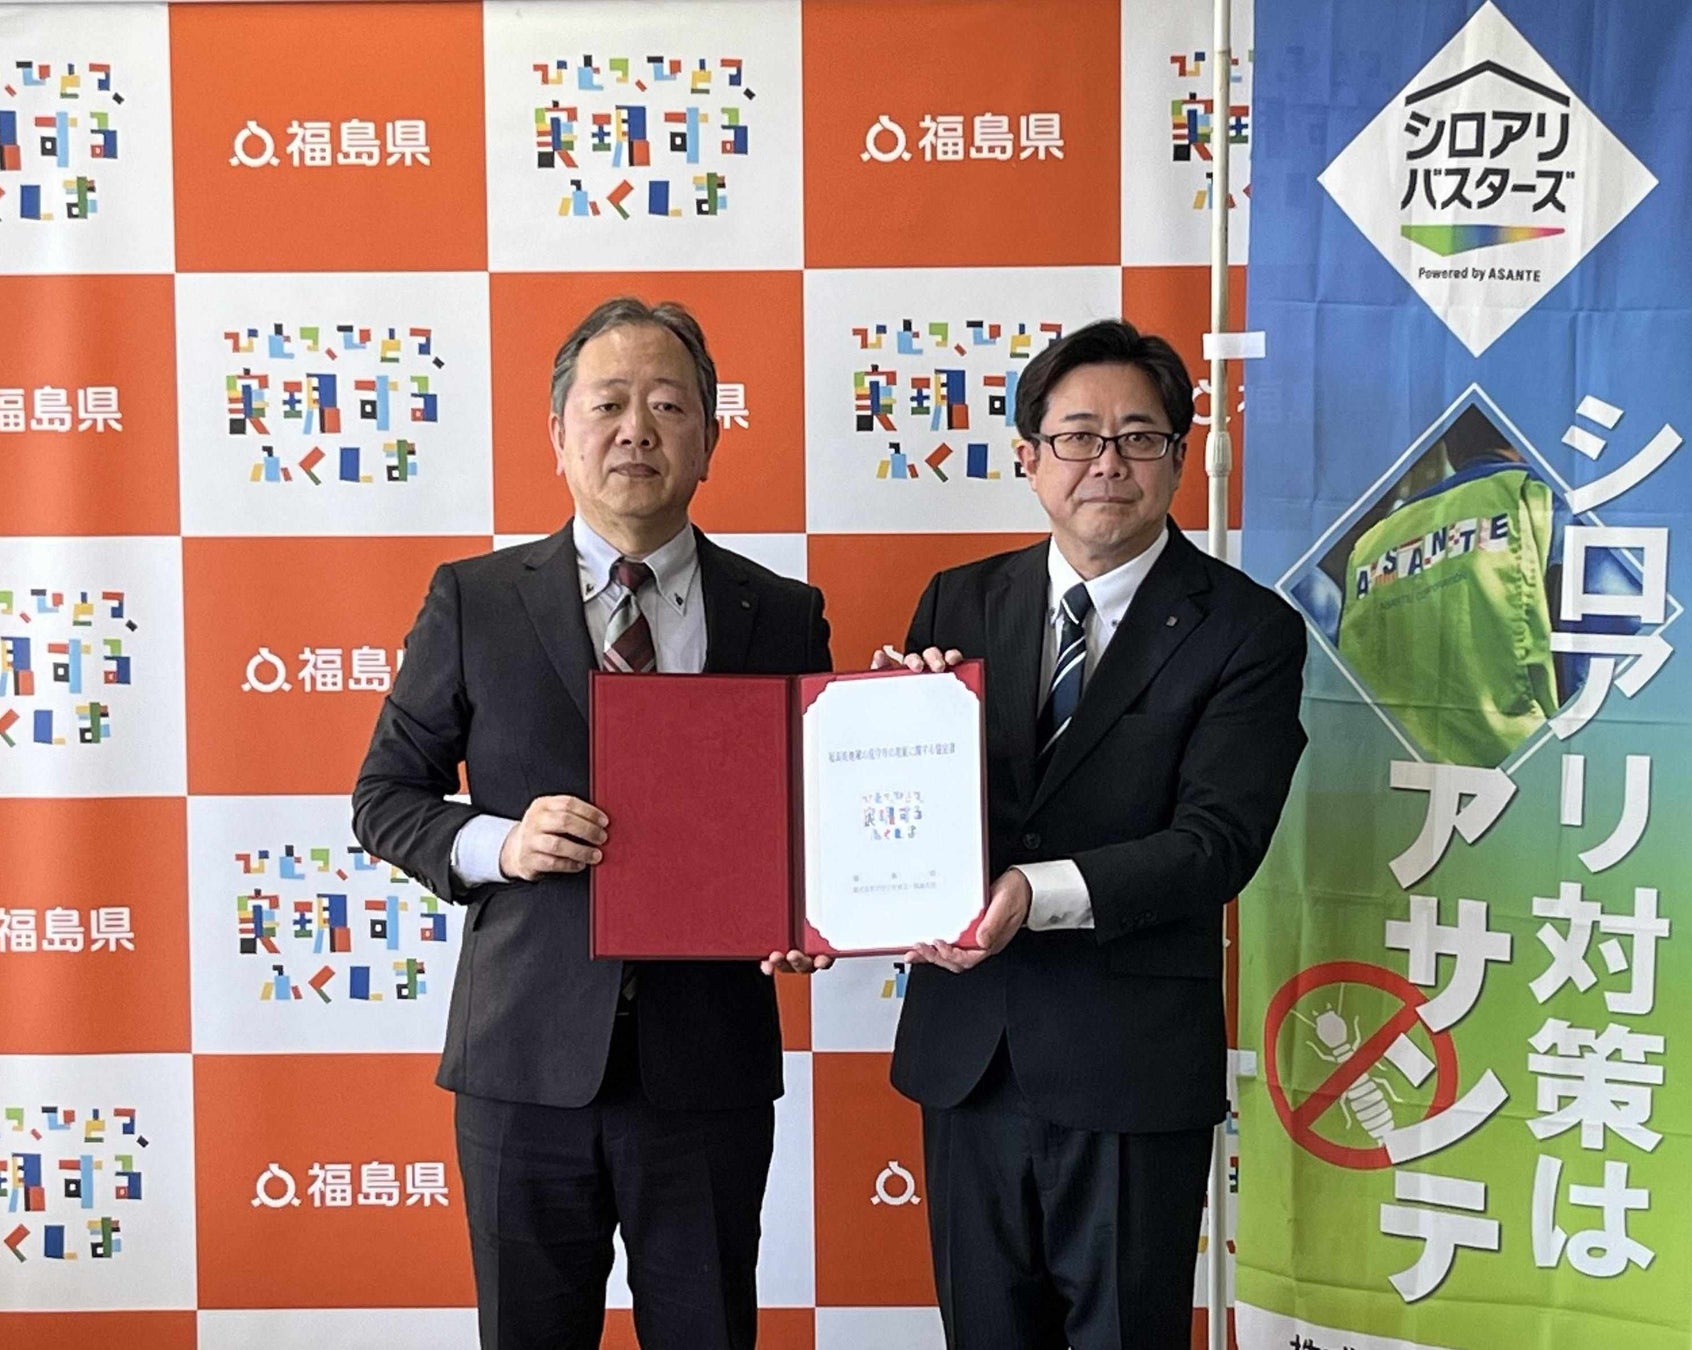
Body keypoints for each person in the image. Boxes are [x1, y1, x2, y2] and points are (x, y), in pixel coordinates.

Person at [353, 297, 832, 1350]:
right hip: (523, 1062)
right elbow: (385, 796)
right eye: (608, 404)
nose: (636, 431)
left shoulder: (781, 613)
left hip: (705, 1066)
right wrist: (501, 844)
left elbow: (815, 816)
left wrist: (812, 912)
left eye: (669, 405)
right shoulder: (475, 599)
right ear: (558, 435)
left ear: (710, 438)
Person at [878, 318, 1307, 1349]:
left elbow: (1217, 841)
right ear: (1029, 458)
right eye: (1077, 436)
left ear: (1179, 458)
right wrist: (898, 730)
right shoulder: (959, 601)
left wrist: (1036, 893)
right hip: (968, 1056)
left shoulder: (1248, 629)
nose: (1106, 462)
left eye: (1138, 437)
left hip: (1129, 1068)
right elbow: (911, 801)